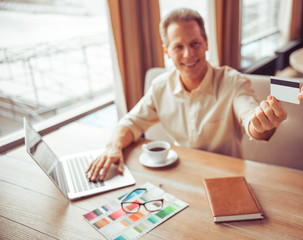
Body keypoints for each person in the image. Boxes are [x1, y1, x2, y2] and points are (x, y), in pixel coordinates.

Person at [86, 8, 287, 181]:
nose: (188, 54)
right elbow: (129, 123)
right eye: (178, 47)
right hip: (181, 177)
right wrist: (113, 147)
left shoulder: (233, 81)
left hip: (227, 179)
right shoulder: (160, 87)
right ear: (167, 51)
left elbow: (251, 119)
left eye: (195, 44)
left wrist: (263, 123)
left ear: (206, 43)